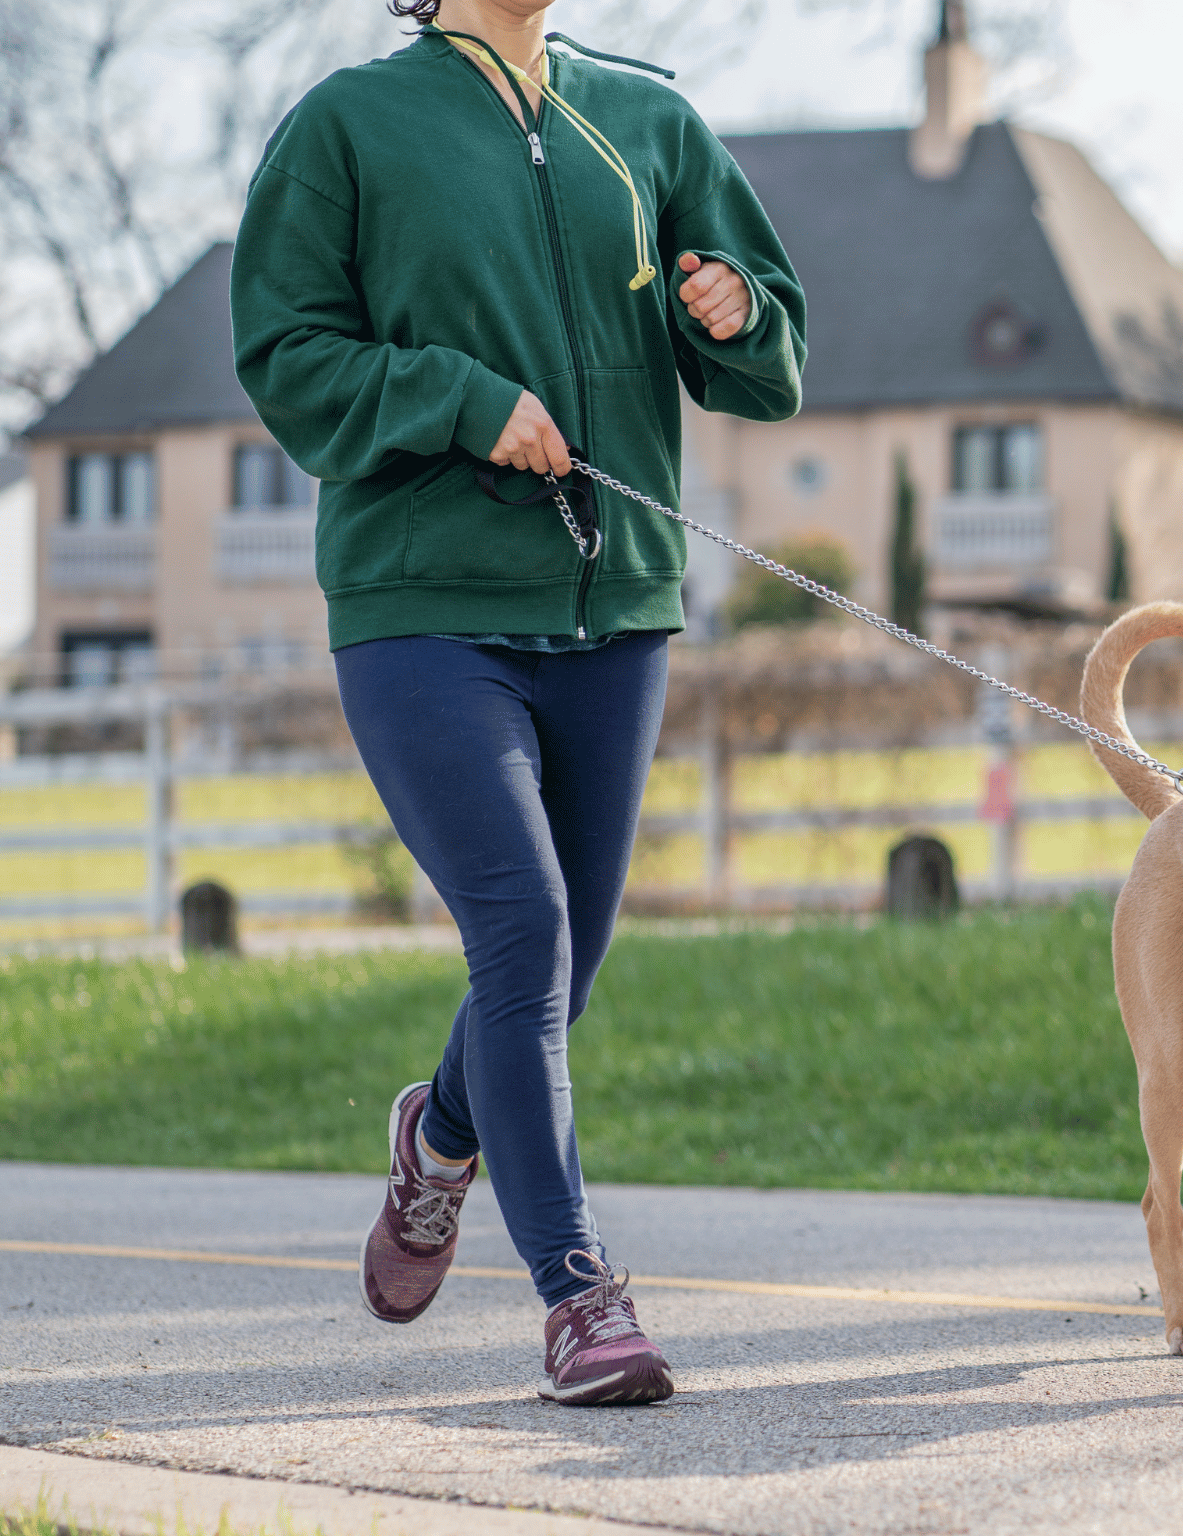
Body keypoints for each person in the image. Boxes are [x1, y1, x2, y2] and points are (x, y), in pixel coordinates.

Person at [229, 0, 805, 1406]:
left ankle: (439, 1140)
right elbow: (286, 354)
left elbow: (772, 356)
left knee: (561, 971)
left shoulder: (649, 120)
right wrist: (459, 399)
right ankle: (578, 1296)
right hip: (422, 605)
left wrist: (729, 308)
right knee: (523, 927)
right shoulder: (349, 126)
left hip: (618, 610)